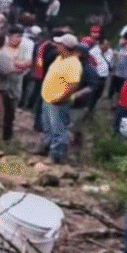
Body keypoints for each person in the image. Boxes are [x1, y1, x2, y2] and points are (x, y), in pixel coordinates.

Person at [37, 34, 82, 164]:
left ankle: (56, 156)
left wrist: (61, 98)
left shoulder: (73, 64)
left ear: (65, 47)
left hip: (59, 102)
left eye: (59, 44)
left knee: (58, 129)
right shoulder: (59, 58)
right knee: (47, 127)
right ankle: (46, 150)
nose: (56, 46)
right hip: (48, 99)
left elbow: (73, 85)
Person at [69, 43, 102, 153]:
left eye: (76, 52)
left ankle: (75, 153)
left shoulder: (89, 68)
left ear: (82, 53)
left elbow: (92, 86)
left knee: (76, 128)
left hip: (80, 103)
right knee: (69, 127)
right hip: (68, 100)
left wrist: (77, 94)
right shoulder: (73, 64)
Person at [1, 26, 31, 142]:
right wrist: (15, 65)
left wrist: (13, 64)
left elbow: (27, 63)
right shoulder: (3, 48)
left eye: (20, 37)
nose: (19, 39)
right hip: (2, 84)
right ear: (9, 37)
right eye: (17, 36)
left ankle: (7, 136)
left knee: (10, 112)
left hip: (16, 85)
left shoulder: (23, 49)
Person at [110, 33, 127, 101]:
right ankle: (114, 104)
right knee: (115, 90)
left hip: (125, 75)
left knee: (121, 90)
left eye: (123, 39)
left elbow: (126, 55)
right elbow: (113, 54)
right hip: (117, 72)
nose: (121, 40)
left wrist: (118, 54)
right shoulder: (119, 47)